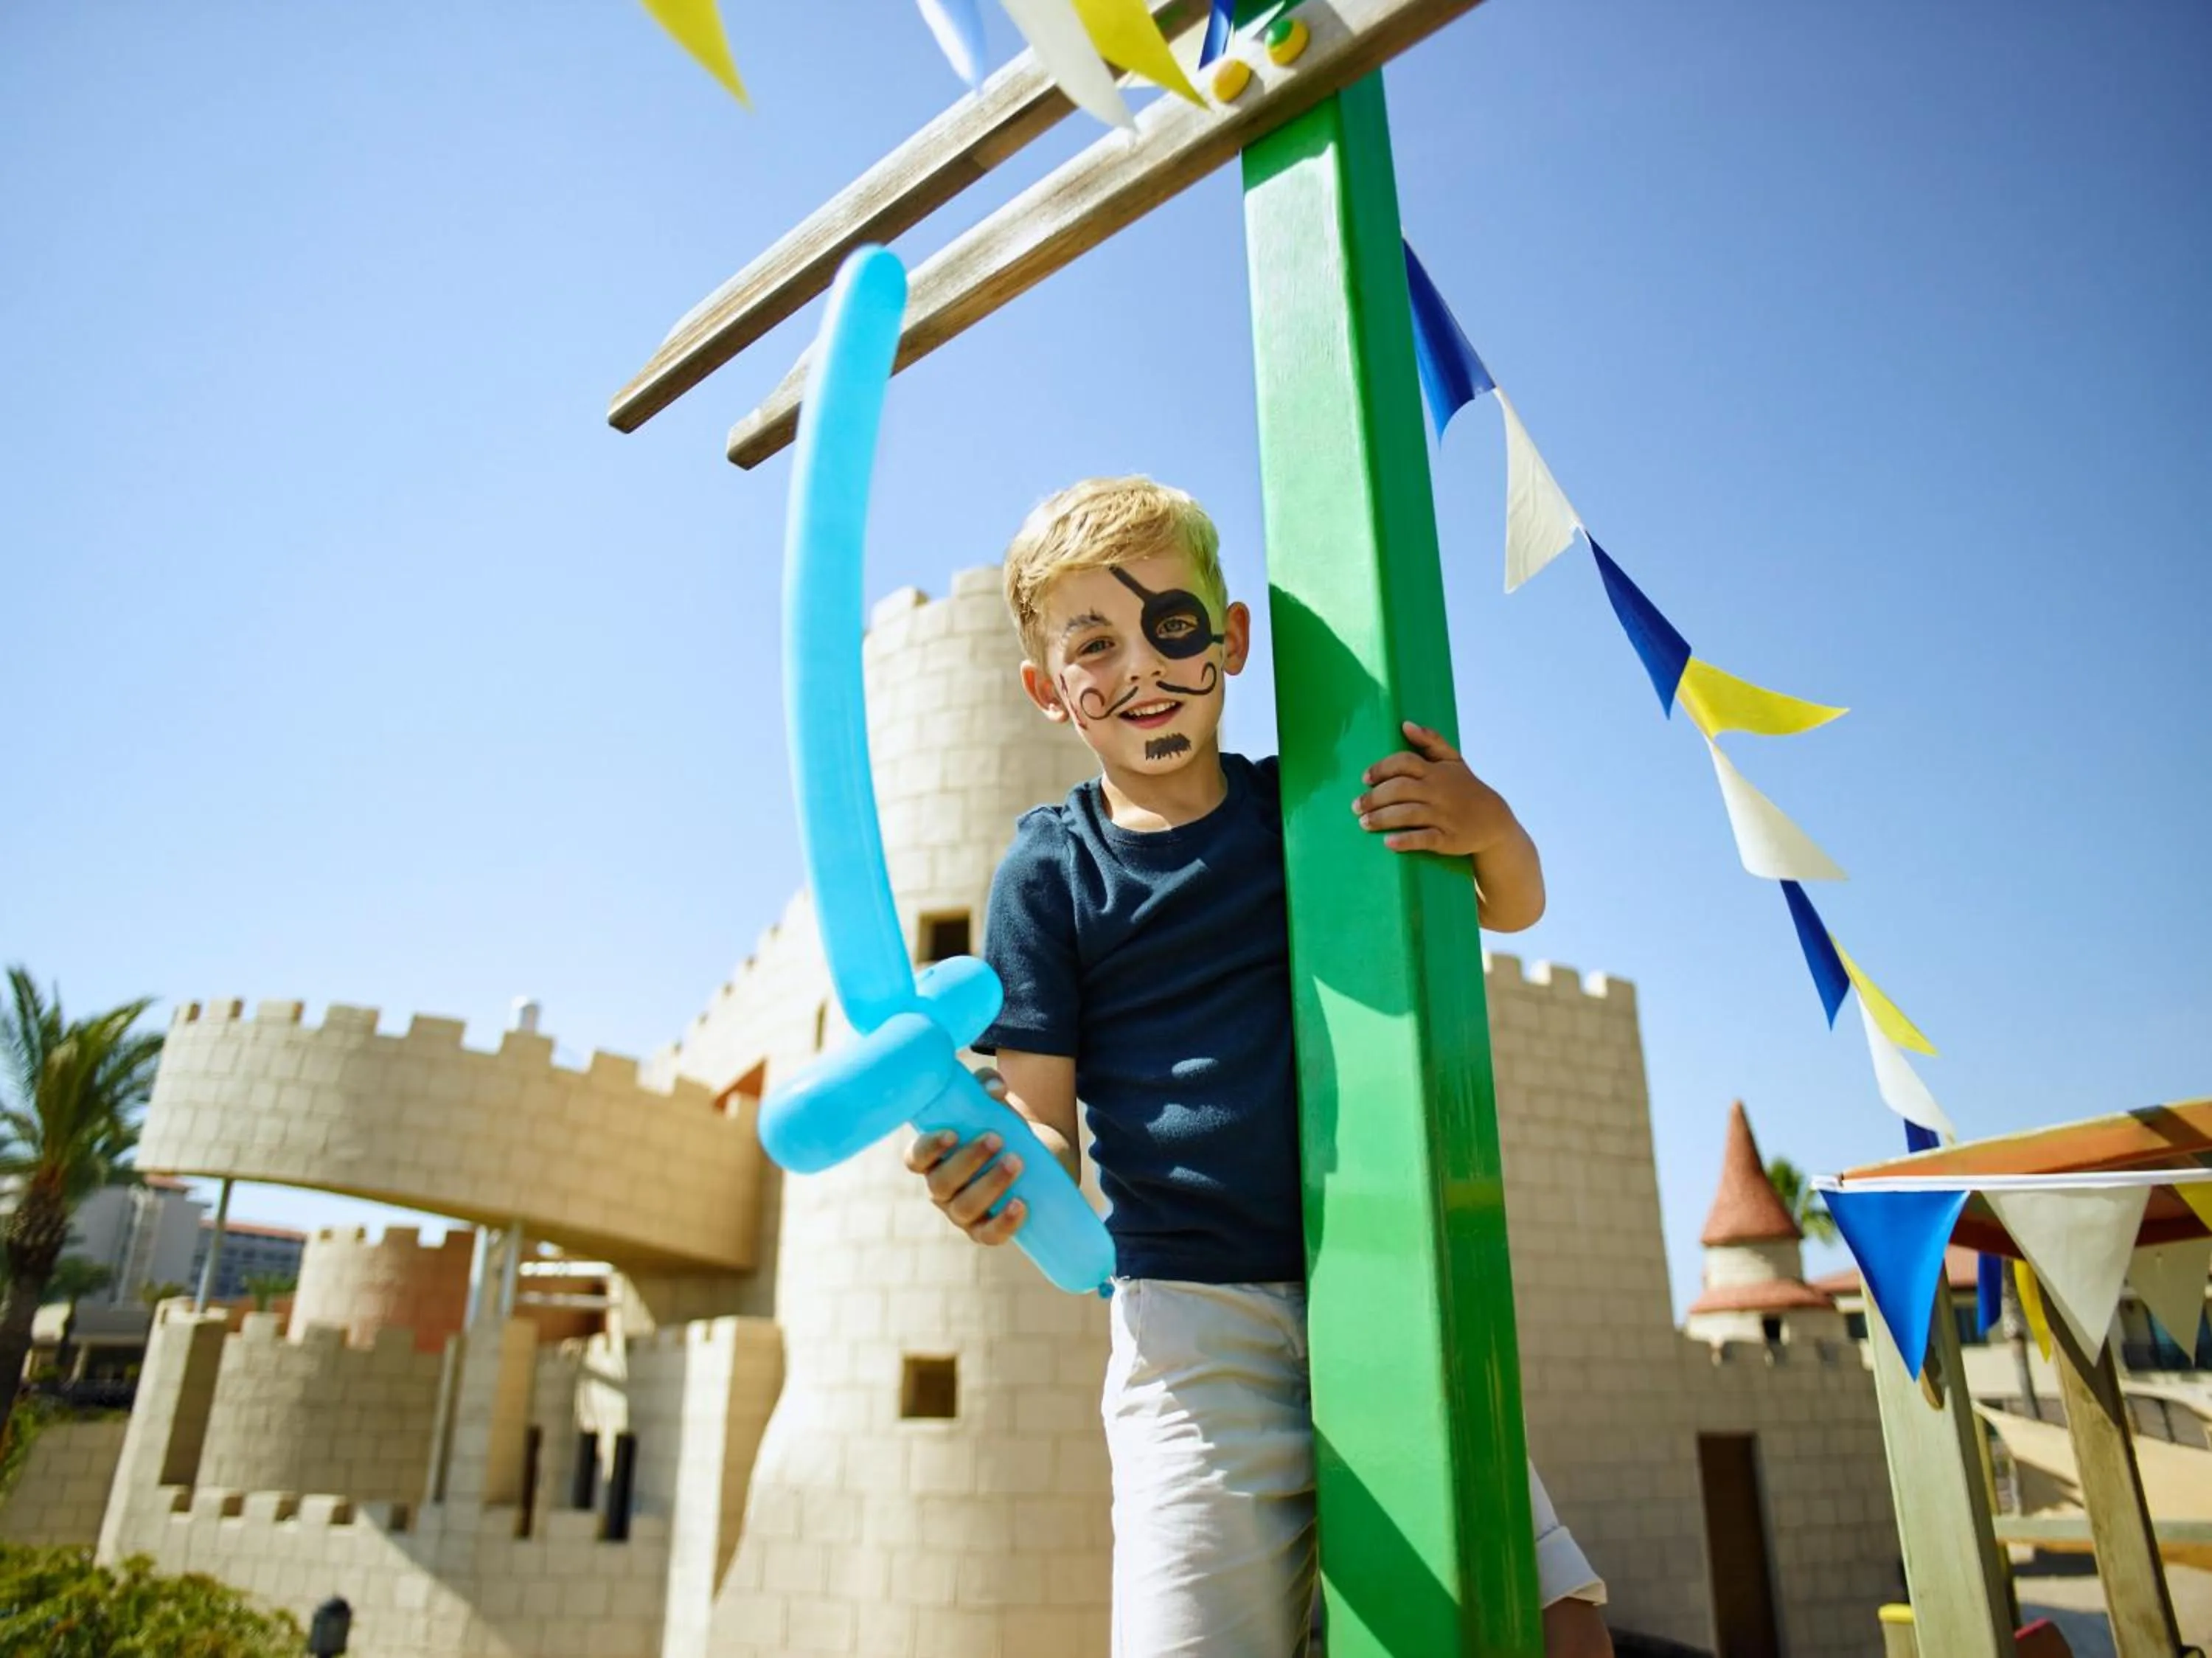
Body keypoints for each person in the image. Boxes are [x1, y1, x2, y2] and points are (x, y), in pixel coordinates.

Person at [905, 476, 1613, 1657]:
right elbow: (1044, 1130)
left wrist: (1487, 823)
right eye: (1096, 644)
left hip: (1384, 1283)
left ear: (1231, 639)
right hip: (1194, 1338)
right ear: (1048, 689)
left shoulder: (1314, 809)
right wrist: (992, 1168)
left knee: (1558, 1627)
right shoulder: (1050, 871)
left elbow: (1510, 903)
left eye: (1171, 625)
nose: (1142, 666)